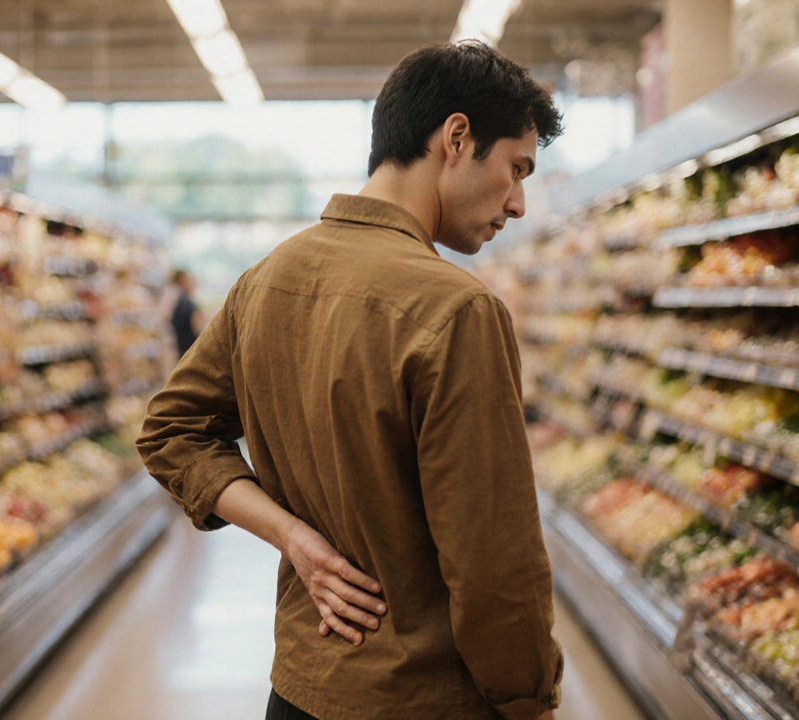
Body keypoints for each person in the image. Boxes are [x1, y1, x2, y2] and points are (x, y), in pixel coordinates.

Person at [137, 41, 564, 720]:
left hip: (300, 688)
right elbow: (494, 565)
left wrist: (290, 536)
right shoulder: (457, 310)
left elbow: (168, 431)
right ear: (456, 137)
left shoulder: (266, 280)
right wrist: (527, 700)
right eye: (516, 169)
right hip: (422, 699)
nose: (517, 203)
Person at [170, 269, 203, 357]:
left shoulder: (177, 301)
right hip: (190, 350)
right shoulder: (187, 304)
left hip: (182, 349)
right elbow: (197, 328)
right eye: (188, 279)